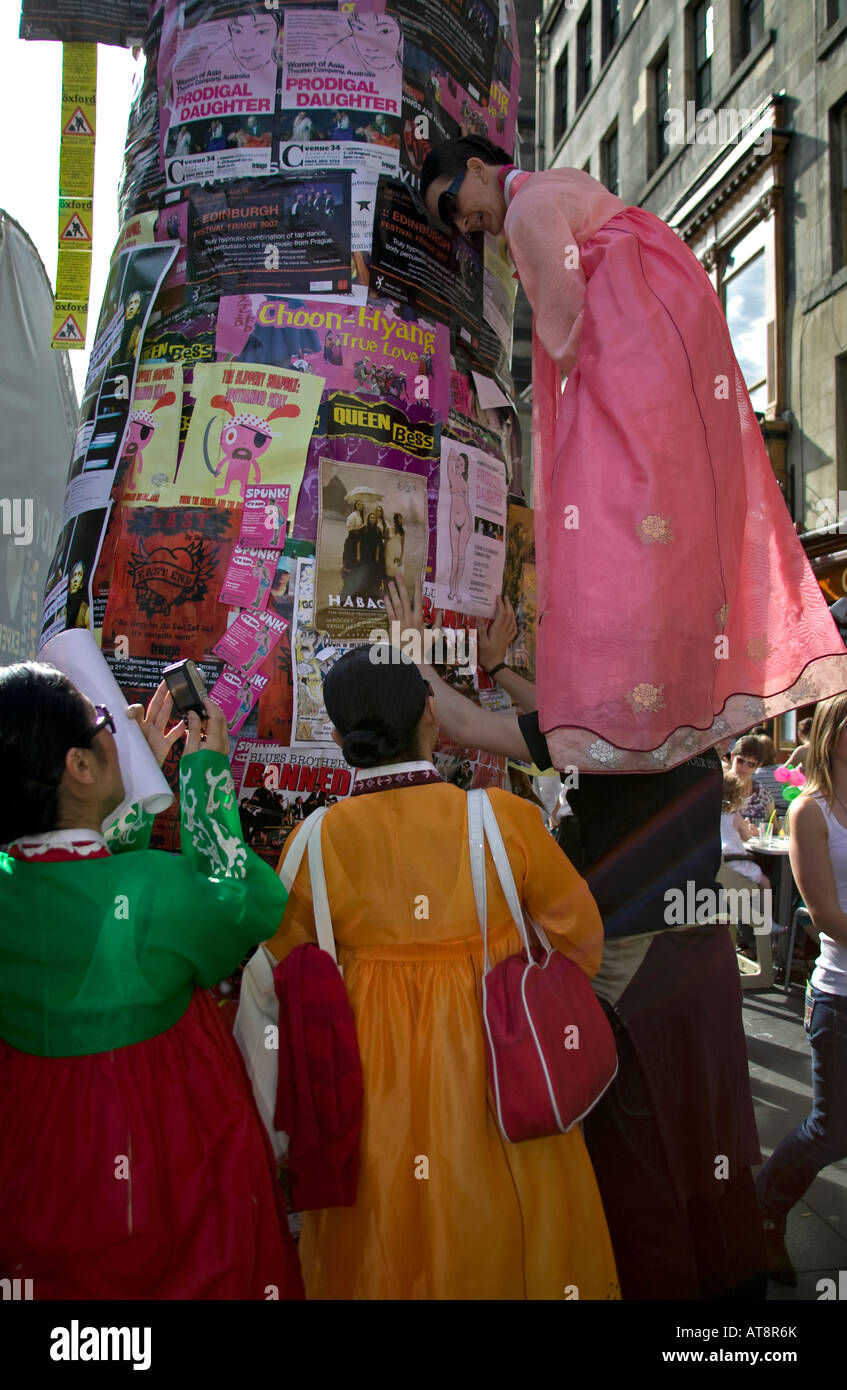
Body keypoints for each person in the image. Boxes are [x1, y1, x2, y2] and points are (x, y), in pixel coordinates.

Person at [385, 577, 767, 1300]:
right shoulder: (671, 709)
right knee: (710, 1151)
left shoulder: (610, 720)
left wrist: (410, 654)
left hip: (640, 973)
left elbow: (464, 726)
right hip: (699, 961)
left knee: (641, 1164)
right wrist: (501, 671)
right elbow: (568, 737)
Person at [421, 136, 847, 774]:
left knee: (611, 518)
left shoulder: (524, 209)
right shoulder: (567, 180)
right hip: (673, 345)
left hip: (629, 353)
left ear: (478, 169)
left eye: (451, 202)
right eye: (448, 222)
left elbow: (565, 326)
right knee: (666, 530)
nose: (462, 223)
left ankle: (627, 669)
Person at [263, 647, 619, 1299]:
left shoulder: (310, 843)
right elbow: (581, 942)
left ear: (339, 737)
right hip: (502, 1079)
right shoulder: (503, 822)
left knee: (386, 1247)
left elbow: (289, 967)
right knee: (518, 1239)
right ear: (432, 715)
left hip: (372, 1093)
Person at [0, 668, 302, 1300]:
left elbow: (94, 898)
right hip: (163, 1155)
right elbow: (238, 905)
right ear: (79, 764)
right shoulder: (154, 890)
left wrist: (133, 787)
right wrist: (205, 776)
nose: (123, 729)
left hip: (37, 1167)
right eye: (106, 723)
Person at [755, 694, 847, 1284]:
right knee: (831, 1130)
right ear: (837, 738)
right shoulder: (809, 812)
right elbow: (825, 916)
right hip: (839, 996)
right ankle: (763, 1211)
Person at [721, 772, 770, 893]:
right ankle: (766, 911)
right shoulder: (735, 818)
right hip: (736, 863)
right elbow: (747, 837)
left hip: (720, 863)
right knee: (765, 882)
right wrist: (747, 828)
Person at [730, 735, 775, 826]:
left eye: (751, 764)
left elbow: (774, 827)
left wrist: (758, 831)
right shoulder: (719, 787)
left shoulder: (762, 792)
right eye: (740, 761)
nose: (744, 767)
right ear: (732, 757)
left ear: (758, 766)